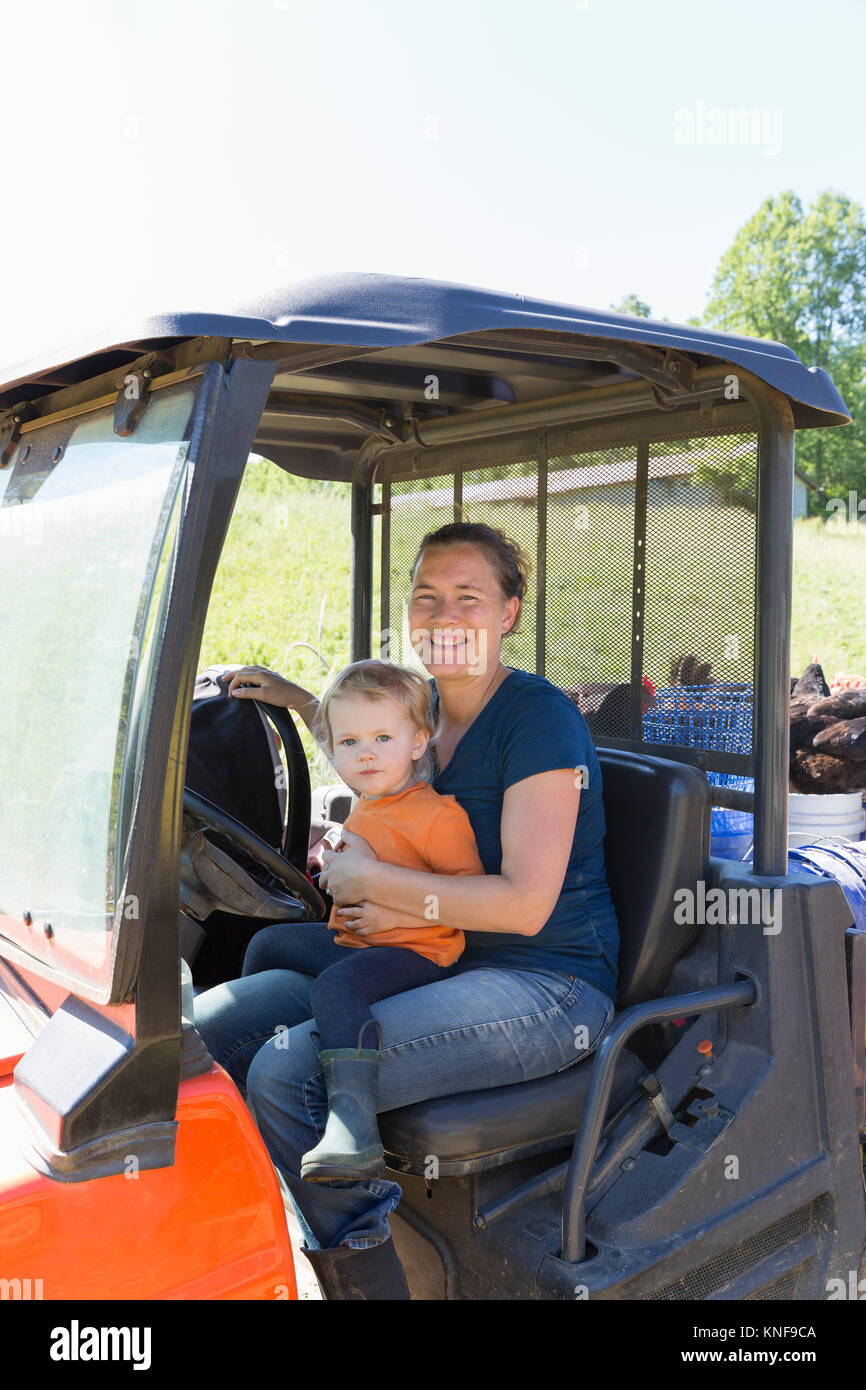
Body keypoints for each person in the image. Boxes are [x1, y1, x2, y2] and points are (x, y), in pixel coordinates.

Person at [195, 521, 620, 1301]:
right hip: (431, 954)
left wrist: (374, 880)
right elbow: (375, 752)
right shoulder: (424, 709)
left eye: (469, 597)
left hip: (544, 984)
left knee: (290, 1072)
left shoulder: (537, 722)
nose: (444, 616)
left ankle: (368, 1284)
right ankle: (272, 1241)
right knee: (210, 1025)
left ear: (510, 614)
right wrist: (298, 700)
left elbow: (526, 907)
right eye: (428, 597)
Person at [232, 658, 484, 1184]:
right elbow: (335, 732)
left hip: (417, 953)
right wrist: (297, 698)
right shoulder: (371, 795)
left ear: (419, 742)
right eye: (350, 744)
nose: (364, 752)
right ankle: (240, 1086)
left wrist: (393, 908)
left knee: (335, 990)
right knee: (268, 942)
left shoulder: (437, 816)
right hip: (354, 941)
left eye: (382, 738)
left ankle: (355, 1129)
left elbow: (471, 898)